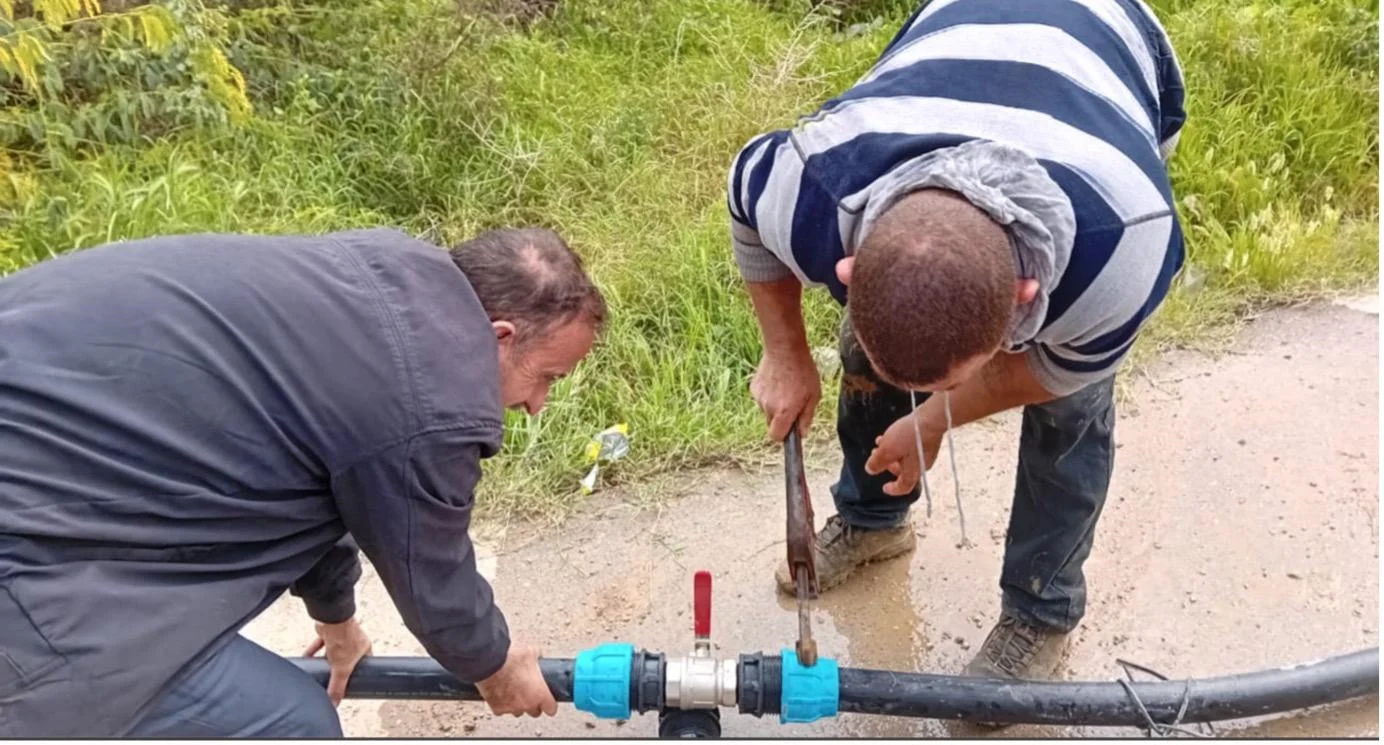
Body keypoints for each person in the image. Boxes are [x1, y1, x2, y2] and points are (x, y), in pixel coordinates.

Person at [727, 0, 1185, 682]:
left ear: (1023, 299)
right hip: (961, 18)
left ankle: (1040, 612)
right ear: (849, 265)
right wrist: (786, 354)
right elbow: (743, 193)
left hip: (1115, 42)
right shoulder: (818, 185)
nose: (926, 393)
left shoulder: (1121, 247)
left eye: (949, 378)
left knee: (1072, 407)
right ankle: (875, 521)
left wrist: (935, 418)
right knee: (872, 346)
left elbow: (1054, 372)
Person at [0, 226, 605, 737]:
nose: (537, 406)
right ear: (500, 337)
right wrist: (496, 666)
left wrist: (336, 619)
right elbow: (432, 572)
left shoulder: (376, 284)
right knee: (289, 724)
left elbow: (311, 470)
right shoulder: (434, 393)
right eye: (546, 376)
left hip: (45, 451)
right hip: (29, 557)